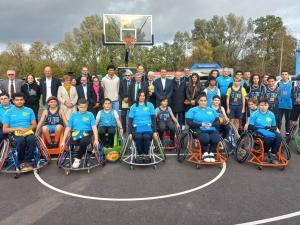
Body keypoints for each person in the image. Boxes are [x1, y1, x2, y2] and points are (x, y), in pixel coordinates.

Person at [60, 98, 99, 169]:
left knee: (84, 141)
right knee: (71, 142)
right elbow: (68, 128)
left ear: (87, 106)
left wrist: (96, 139)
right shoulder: (74, 115)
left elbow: (94, 127)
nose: (83, 109)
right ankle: (74, 157)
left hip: (87, 133)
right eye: (81, 107)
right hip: (76, 133)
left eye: (85, 107)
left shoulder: (90, 115)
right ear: (78, 106)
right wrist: (63, 141)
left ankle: (77, 159)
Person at [2, 93, 37, 171]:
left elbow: (34, 125)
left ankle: (28, 161)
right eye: (17, 100)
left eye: (21, 99)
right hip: (14, 132)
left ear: (24, 101)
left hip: (27, 131)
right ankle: (21, 161)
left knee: (31, 139)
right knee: (20, 141)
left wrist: (27, 129)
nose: (19, 101)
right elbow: (5, 129)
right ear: (13, 101)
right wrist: (18, 128)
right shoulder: (8, 112)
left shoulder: (29, 110)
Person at [186, 94, 221, 162]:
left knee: (216, 138)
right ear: (198, 102)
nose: (203, 102)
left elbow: (218, 121)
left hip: (211, 128)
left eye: (205, 101)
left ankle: (211, 153)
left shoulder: (211, 110)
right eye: (201, 101)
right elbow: (189, 122)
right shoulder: (193, 110)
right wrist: (201, 124)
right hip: (197, 129)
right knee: (205, 138)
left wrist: (211, 124)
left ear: (207, 102)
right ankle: (204, 153)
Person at [248, 98, 281, 164]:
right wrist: (262, 127)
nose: (263, 107)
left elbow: (274, 126)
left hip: (268, 130)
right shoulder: (254, 114)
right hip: (257, 130)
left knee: (279, 137)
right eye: (261, 105)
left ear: (268, 105)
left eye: (265, 105)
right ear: (259, 106)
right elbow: (250, 126)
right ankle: (265, 153)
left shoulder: (271, 114)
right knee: (269, 137)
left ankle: (273, 154)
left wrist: (271, 128)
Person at [128, 90, 157, 163]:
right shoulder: (133, 107)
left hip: (147, 126)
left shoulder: (150, 105)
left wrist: (155, 131)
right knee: (138, 137)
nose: (142, 97)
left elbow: (153, 119)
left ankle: (146, 154)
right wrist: (130, 133)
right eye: (140, 95)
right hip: (136, 127)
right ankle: (140, 154)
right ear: (138, 96)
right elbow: (130, 121)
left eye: (143, 95)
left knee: (146, 137)